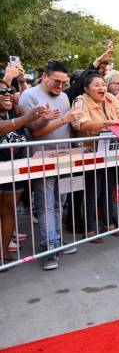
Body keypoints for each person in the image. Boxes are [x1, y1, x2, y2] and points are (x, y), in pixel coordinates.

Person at [18, 60, 81, 270]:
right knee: (45, 204)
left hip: (64, 157)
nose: (60, 86)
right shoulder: (29, 96)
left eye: (64, 82)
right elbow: (35, 132)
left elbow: (68, 124)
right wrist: (60, 120)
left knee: (59, 203)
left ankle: (57, 241)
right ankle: (48, 248)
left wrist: (77, 143)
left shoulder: (63, 96)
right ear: (44, 76)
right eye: (56, 81)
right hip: (41, 158)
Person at [72, 73, 119, 243]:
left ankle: (109, 223)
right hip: (91, 152)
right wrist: (108, 124)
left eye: (103, 84)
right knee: (93, 191)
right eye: (97, 85)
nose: (102, 88)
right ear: (86, 88)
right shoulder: (80, 101)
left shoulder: (111, 98)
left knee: (108, 189)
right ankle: (89, 228)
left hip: (111, 150)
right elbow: (81, 124)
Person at [0, 80, 46, 268]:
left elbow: (34, 127)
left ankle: (3, 251)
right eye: (1, 91)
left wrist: (45, 117)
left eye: (9, 91)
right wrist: (25, 119)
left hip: (14, 171)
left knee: (9, 211)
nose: (7, 94)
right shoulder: (18, 116)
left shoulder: (16, 110)